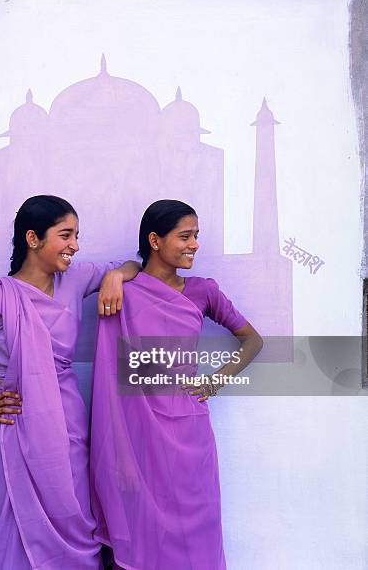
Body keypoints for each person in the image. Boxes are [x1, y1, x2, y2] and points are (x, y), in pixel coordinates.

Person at [0, 195, 140, 570]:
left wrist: (115, 277)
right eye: (65, 235)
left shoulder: (76, 279)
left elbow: (134, 266)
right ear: (33, 239)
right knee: (15, 530)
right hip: (16, 433)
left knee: (76, 520)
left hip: (69, 427)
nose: (75, 246)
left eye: (77, 235)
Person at [90, 199, 263, 570]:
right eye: (185, 236)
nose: (195, 244)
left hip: (188, 432)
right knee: (138, 529)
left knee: (195, 530)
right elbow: (111, 378)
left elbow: (253, 340)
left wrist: (214, 383)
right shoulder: (123, 293)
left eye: (196, 236)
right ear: (155, 239)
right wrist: (118, 275)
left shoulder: (204, 291)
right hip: (135, 434)